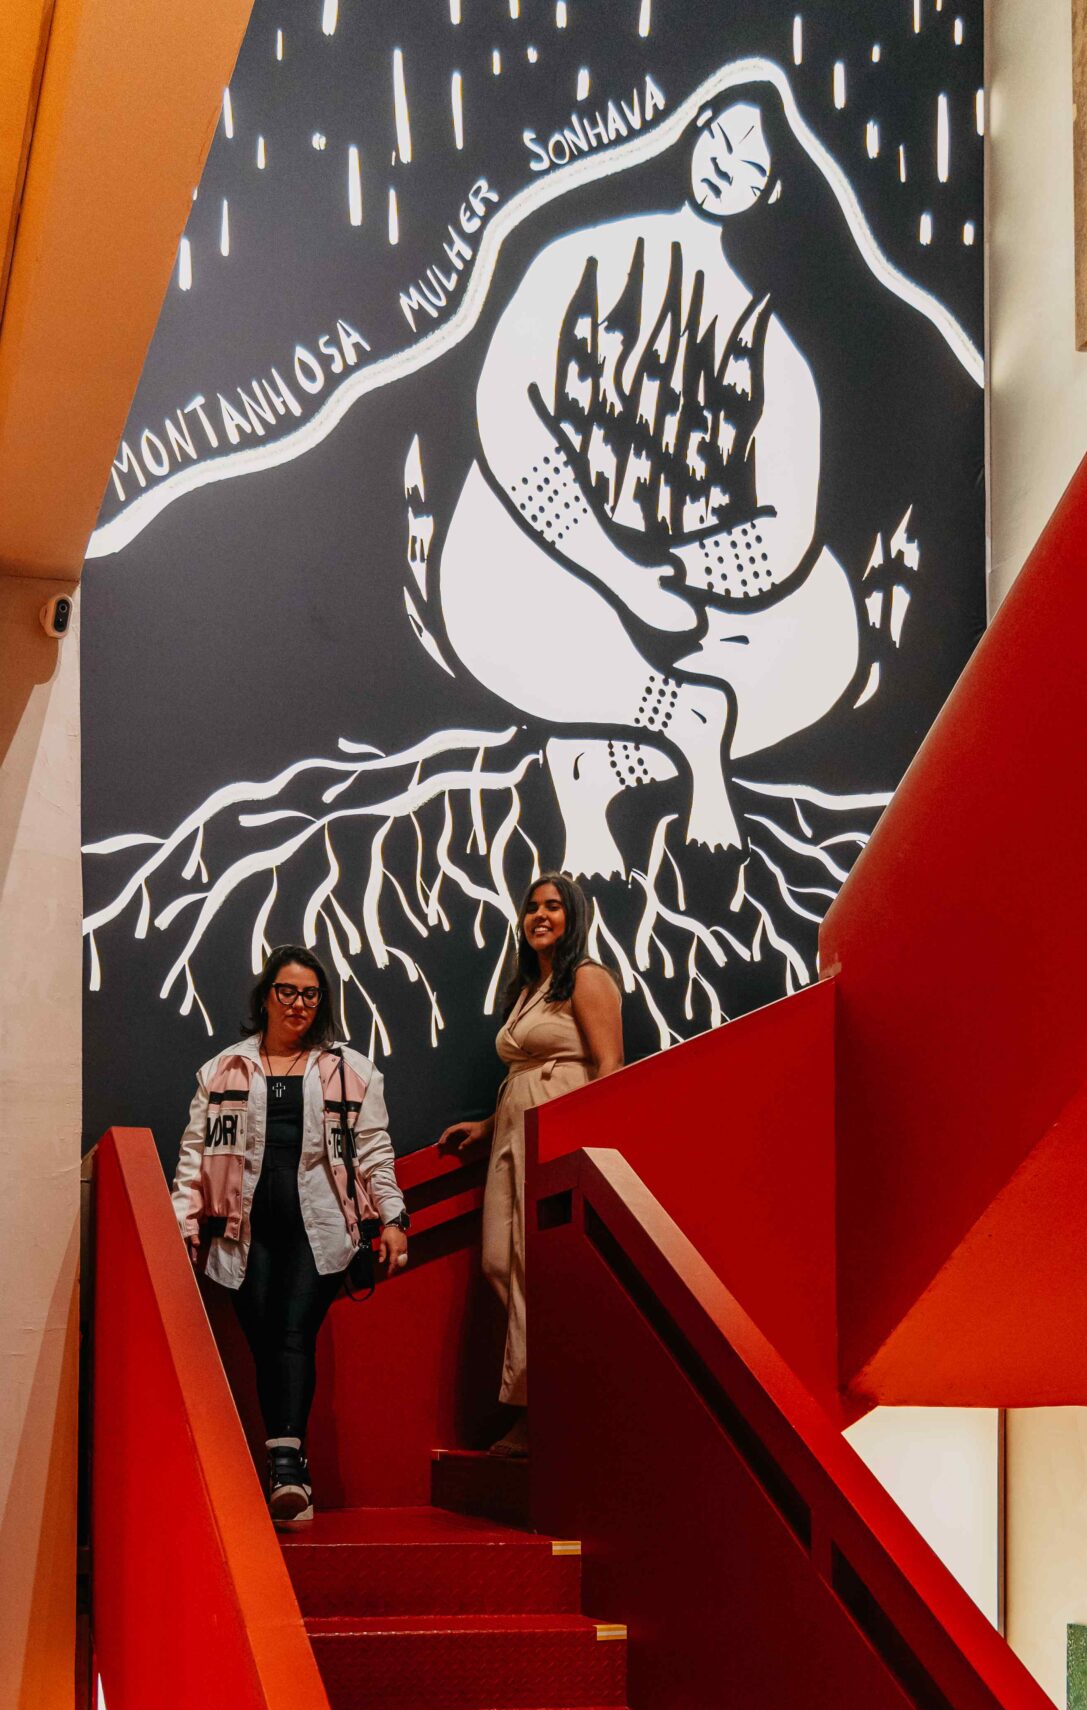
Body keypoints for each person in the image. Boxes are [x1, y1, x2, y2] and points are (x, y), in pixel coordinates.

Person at [436, 91, 860, 877]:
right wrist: (614, 568)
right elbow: (507, 413)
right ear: (695, 132)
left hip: (679, 593)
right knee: (493, 569)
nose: (727, 167)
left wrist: (676, 571)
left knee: (827, 629)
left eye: (751, 165)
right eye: (722, 141)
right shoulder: (576, 259)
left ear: (769, 190)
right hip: (551, 562)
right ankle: (685, 719)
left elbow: (788, 524)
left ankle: (599, 771)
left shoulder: (774, 347)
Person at [171, 945, 409, 1524]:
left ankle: (285, 1467)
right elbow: (194, 1154)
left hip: (319, 1224)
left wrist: (393, 1217)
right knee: (264, 1339)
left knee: (293, 1332)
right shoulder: (223, 1069)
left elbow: (373, 1151)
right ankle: (289, 1464)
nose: (298, 1004)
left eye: (310, 994)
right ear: (266, 997)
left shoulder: (350, 1070)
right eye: (287, 991)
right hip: (240, 1227)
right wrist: (183, 1220)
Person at [440, 874, 622, 1451]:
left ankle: (536, 1412)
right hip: (513, 1128)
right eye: (532, 907)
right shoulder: (528, 989)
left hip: (558, 1126)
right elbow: (522, 1072)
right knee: (501, 1260)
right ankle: (554, 1392)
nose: (540, 915)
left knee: (533, 1263)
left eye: (553, 907)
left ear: (574, 917)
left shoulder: (586, 977)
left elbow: (610, 1065)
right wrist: (488, 1124)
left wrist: (585, 1143)